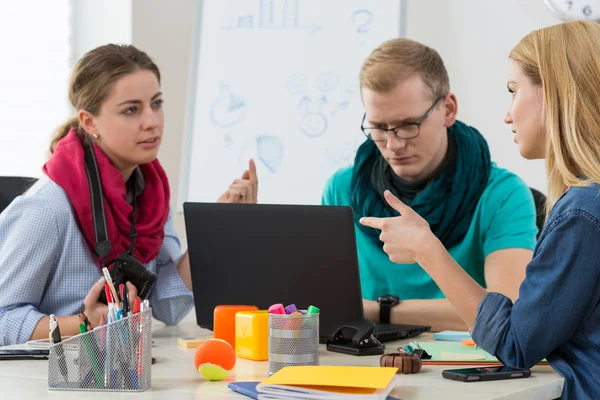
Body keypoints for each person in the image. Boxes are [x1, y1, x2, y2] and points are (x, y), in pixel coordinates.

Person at [361, 20, 600, 399]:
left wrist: (428, 250)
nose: (507, 115)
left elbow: (515, 344)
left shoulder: (581, 212)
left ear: (555, 94)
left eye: (513, 91)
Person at [0, 44, 258, 346]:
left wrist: (216, 231)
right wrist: (86, 323)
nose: (152, 121)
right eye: (132, 109)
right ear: (89, 122)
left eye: (156, 103)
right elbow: (3, 317)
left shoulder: (151, 196)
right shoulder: (47, 208)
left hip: (120, 376)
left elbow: (167, 306)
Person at [322, 38, 538, 331]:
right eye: (378, 127)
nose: (393, 144)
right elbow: (325, 303)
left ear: (448, 110)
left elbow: (509, 314)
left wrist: (378, 311)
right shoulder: (341, 188)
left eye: (409, 125)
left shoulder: (502, 195)